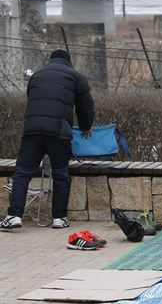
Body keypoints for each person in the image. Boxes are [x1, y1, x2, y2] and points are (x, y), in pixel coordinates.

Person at [1, 50, 95, 231]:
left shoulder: (37, 75)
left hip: (32, 131)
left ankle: (14, 216)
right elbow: (86, 106)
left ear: (51, 60)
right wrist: (85, 126)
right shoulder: (76, 76)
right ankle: (59, 218)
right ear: (69, 62)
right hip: (58, 133)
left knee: (22, 173)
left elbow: (32, 98)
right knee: (60, 174)